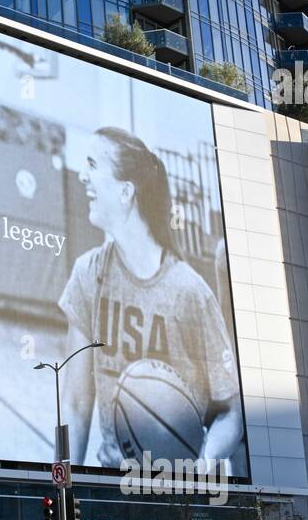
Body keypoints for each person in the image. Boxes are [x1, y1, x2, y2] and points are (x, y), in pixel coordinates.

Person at [59, 128, 242, 468]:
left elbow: (232, 414)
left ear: (126, 191)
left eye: (92, 166)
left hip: (177, 490)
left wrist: (205, 462)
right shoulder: (89, 274)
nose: (82, 176)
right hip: (114, 485)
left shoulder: (189, 292)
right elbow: (75, 402)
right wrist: (64, 484)